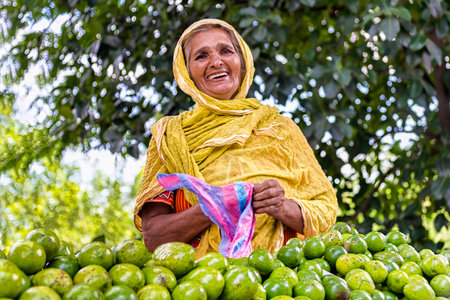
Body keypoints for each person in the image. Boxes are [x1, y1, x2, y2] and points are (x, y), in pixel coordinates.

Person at [134, 19, 338, 258]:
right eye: (201, 56)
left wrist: (281, 207)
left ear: (242, 63)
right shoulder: (170, 138)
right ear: (186, 72)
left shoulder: (280, 127)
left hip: (281, 279)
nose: (216, 62)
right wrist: (214, 206)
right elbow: (154, 237)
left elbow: (326, 212)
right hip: (200, 283)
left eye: (226, 51)